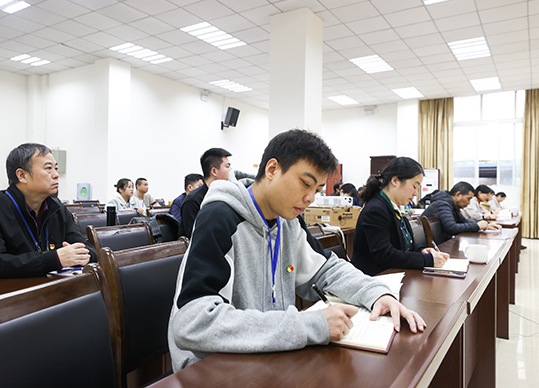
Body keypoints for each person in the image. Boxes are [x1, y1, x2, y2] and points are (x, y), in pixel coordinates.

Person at [168, 130, 426, 371]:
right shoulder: (220, 217)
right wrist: (306, 326)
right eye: (305, 184)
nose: (311, 198)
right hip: (212, 368)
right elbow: (192, 321)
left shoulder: (287, 221)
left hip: (270, 356)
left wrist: (376, 294)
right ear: (272, 169)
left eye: (316, 189)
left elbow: (326, 269)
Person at [0, 143, 97, 280]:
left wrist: (82, 255)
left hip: (50, 289)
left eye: (56, 168)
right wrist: (54, 259)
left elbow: (89, 251)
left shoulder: (57, 208)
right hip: (6, 295)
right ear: (22, 175)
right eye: (48, 168)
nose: (56, 175)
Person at [351, 157, 449, 276]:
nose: (416, 193)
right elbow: (384, 255)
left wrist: (421, 251)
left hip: (393, 274)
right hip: (374, 279)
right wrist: (427, 260)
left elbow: (404, 245)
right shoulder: (376, 209)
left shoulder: (392, 206)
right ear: (395, 181)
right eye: (414, 186)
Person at [178, 147, 232, 238]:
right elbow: (194, 236)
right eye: (227, 166)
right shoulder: (192, 200)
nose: (231, 170)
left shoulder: (224, 195)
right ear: (214, 171)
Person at [421, 182, 502, 243]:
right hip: (433, 248)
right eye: (468, 198)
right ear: (458, 195)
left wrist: (486, 225)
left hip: (443, 243)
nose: (469, 202)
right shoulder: (443, 204)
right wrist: (477, 226)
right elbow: (452, 228)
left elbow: (464, 221)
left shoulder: (451, 204)